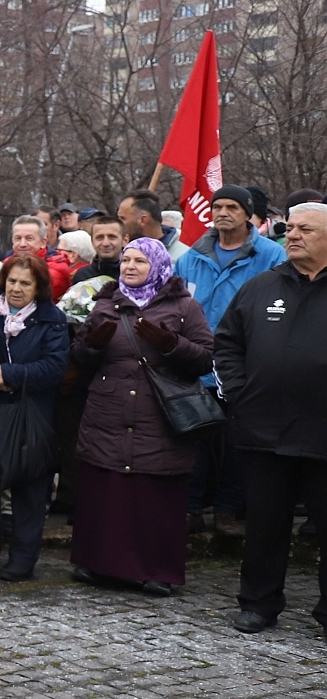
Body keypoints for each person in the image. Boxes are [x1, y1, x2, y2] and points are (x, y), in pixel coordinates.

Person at [69, 238, 214, 595]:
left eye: (139, 262)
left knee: (154, 495)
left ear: (159, 266)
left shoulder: (184, 306)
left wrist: (169, 343)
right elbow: (77, 357)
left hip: (160, 418)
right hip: (108, 413)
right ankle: (100, 565)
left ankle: (156, 570)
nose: (130, 267)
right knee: (107, 491)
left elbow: (205, 358)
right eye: (126, 261)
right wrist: (93, 344)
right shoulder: (105, 303)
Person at [215, 202, 327, 633]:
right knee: (264, 524)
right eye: (289, 227)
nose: (291, 235)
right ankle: (259, 603)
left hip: (323, 435)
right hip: (264, 431)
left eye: (305, 229)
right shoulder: (260, 287)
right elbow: (226, 345)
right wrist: (241, 395)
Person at [173, 183, 285, 537]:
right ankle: (190, 509)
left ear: (247, 213)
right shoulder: (191, 257)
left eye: (231, 207)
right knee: (194, 439)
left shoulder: (270, 257)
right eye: (217, 206)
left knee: (238, 441)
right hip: (197, 362)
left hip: (247, 362)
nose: (222, 213)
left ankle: (228, 511)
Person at [0, 254, 70, 580]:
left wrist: (9, 374)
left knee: (29, 487)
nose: (17, 289)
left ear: (38, 287)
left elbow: (54, 366)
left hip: (30, 413)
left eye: (25, 283)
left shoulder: (52, 319)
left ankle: (24, 556)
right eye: (12, 281)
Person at [11, 215, 72, 297]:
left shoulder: (57, 267)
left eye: (29, 238)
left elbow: (36, 293)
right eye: (17, 238)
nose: (22, 244)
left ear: (43, 243)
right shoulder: (7, 262)